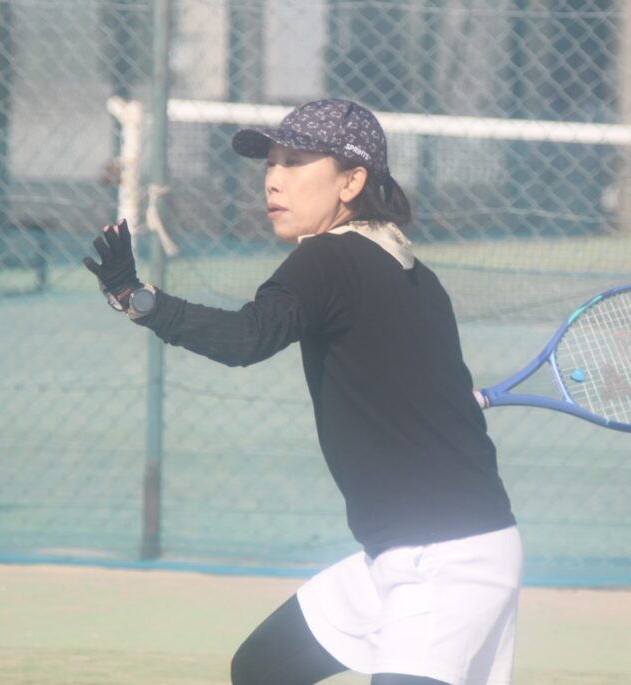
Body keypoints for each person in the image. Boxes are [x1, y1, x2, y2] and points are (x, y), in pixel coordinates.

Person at [84, 99, 522, 685]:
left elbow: (247, 338)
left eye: (295, 162)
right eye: (272, 163)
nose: (273, 179)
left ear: (351, 182)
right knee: (264, 669)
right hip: (403, 553)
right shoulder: (414, 275)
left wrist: (138, 299)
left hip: (445, 558)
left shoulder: (325, 257)